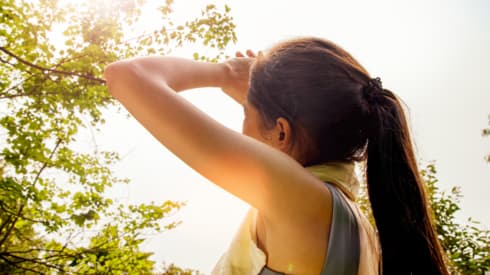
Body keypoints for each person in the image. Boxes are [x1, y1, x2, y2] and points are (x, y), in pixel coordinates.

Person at [104, 37, 449, 275]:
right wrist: (261, 110)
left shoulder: (301, 203)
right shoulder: (357, 232)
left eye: (244, 117)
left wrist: (223, 72)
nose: (242, 133)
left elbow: (127, 76)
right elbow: (287, 145)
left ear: (282, 133)